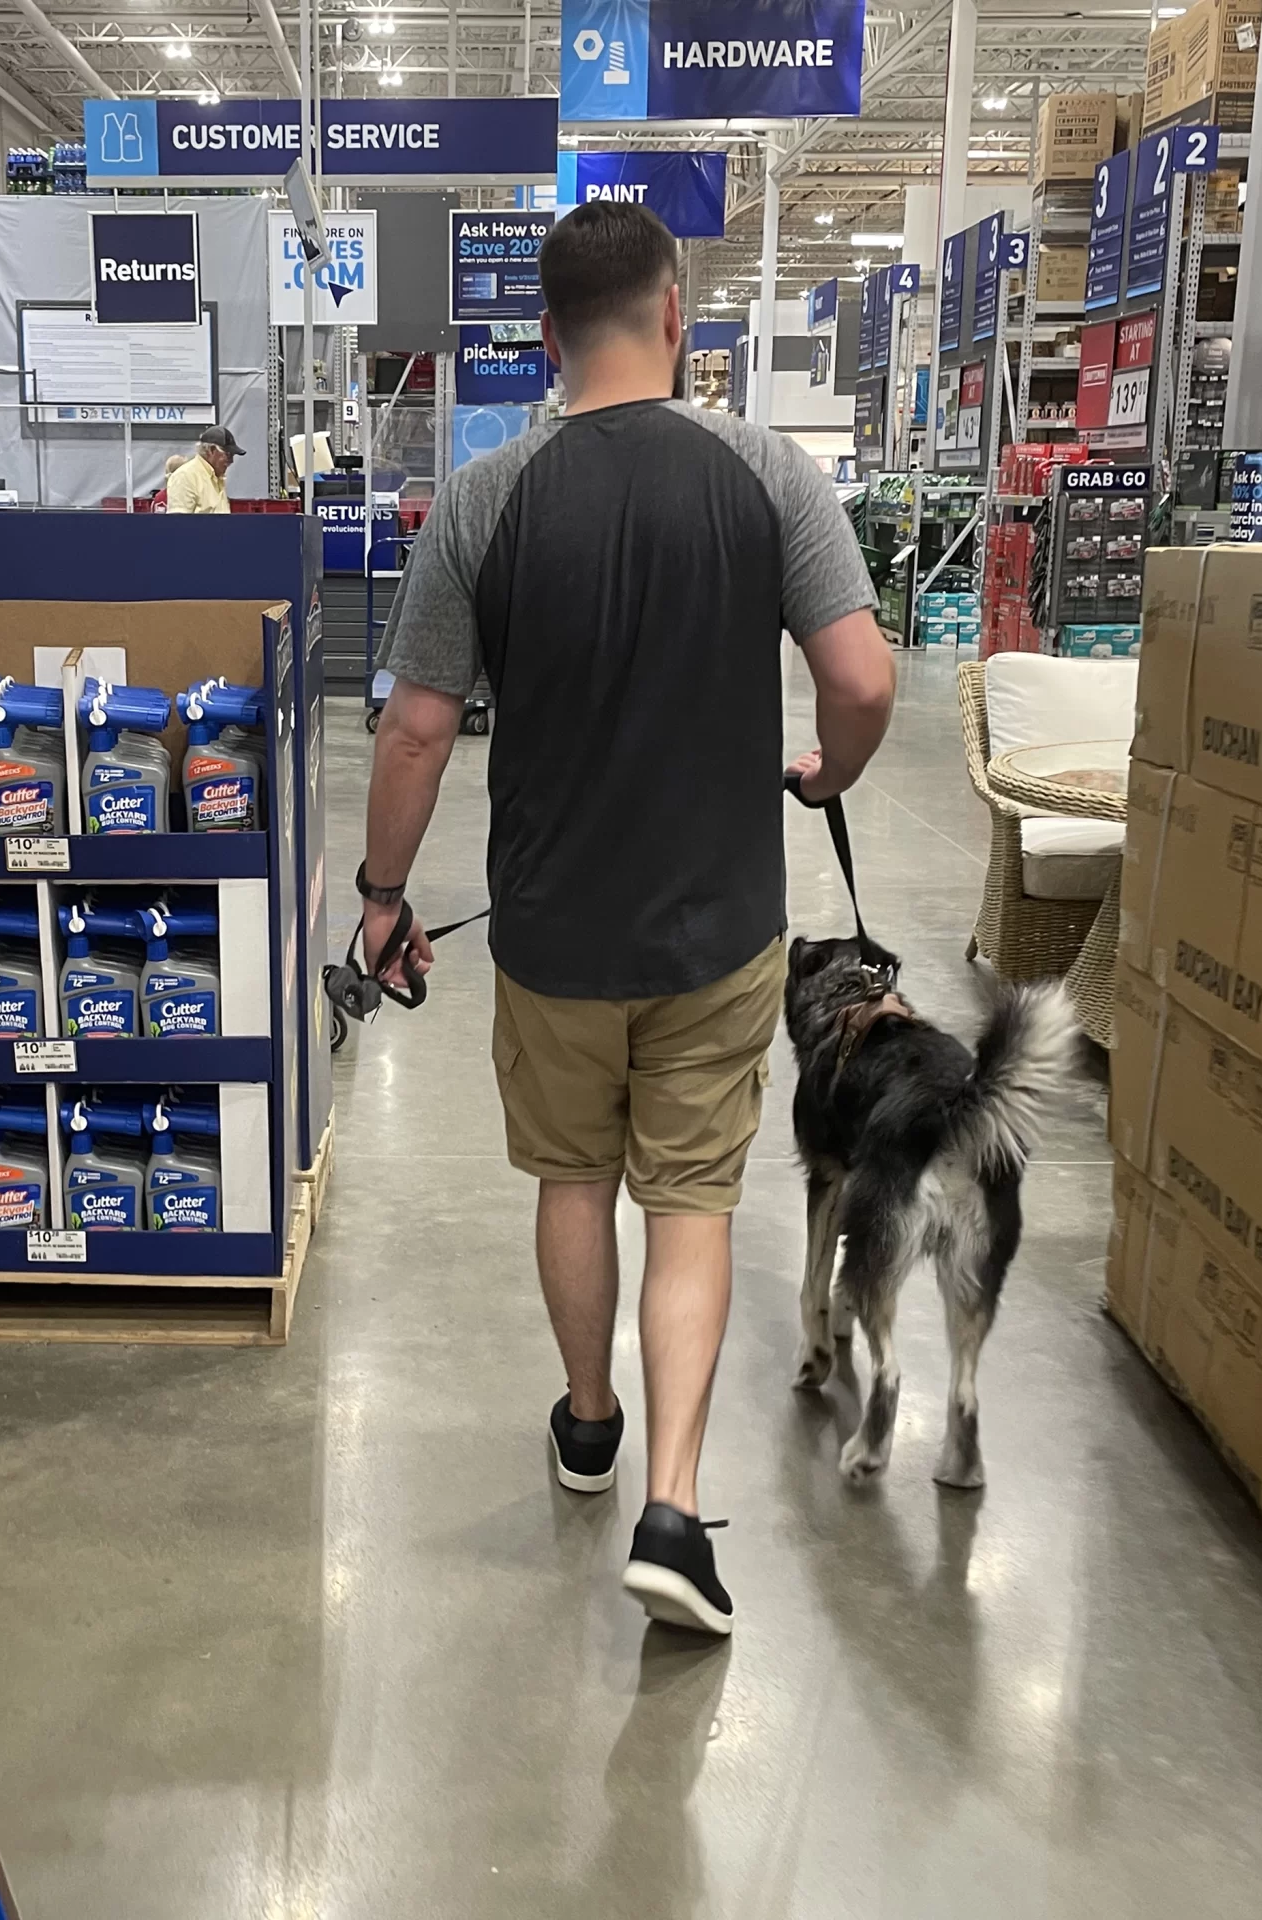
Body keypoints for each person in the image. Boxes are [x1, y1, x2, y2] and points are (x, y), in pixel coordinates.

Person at [359, 200, 897, 1637]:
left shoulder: (485, 497)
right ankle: (672, 1505)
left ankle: (588, 1424)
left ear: (545, 338)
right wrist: (824, 774)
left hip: (551, 935)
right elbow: (861, 683)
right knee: (694, 1206)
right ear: (677, 315)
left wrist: (382, 898)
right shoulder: (771, 474)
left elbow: (415, 732)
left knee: (573, 1181)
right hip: (721, 933)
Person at [163, 424, 239, 513]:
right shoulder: (184, 477)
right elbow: (178, 524)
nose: (231, 461)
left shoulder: (217, 478)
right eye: (228, 455)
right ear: (212, 450)